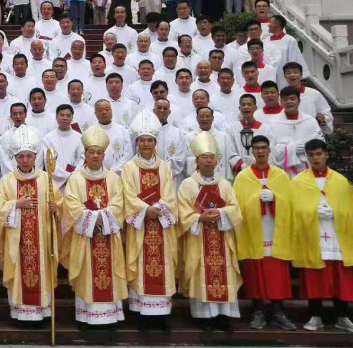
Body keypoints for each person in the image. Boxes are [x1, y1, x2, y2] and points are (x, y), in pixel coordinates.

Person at [291, 139, 353, 334]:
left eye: (319, 154)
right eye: (311, 155)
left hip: (336, 236)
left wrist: (336, 213)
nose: (315, 158)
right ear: (307, 157)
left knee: (340, 278)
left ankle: (342, 317)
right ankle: (315, 316)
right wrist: (312, 212)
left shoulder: (341, 181)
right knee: (314, 277)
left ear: (326, 155)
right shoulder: (298, 182)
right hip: (312, 236)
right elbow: (291, 210)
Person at [60, 126, 126, 326]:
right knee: (86, 276)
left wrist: (100, 217)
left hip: (108, 239)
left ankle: (110, 318)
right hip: (84, 240)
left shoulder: (113, 178)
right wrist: (95, 217)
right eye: (91, 152)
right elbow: (71, 205)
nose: (95, 156)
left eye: (99, 152)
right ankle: (86, 317)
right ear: (85, 154)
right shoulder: (76, 178)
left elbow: (119, 204)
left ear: (104, 155)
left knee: (109, 274)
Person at [0, 125, 62, 321]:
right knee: (18, 273)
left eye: (29, 156)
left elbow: (60, 205)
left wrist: (56, 209)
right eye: (21, 156)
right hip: (16, 242)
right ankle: (20, 314)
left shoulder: (46, 180)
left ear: (35, 157)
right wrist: (16, 204)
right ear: (15, 158)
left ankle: (42, 313)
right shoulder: (6, 181)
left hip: (42, 242)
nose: (25, 160)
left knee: (41, 272)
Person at [177, 131, 242, 329]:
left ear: (216, 161)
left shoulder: (224, 184)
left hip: (221, 238)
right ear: (197, 161)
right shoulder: (188, 184)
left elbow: (235, 210)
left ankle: (224, 316)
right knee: (201, 273)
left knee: (223, 273)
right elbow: (182, 212)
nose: (208, 161)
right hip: (199, 240)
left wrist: (221, 213)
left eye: (211, 157)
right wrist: (199, 218)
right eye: (204, 157)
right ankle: (204, 317)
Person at [121, 111, 178, 328]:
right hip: (139, 228)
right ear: (136, 143)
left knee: (162, 266)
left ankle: (162, 316)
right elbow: (127, 195)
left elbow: (170, 194)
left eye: (150, 140)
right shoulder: (129, 168)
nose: (146, 144)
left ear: (156, 143)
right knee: (140, 266)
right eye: (142, 140)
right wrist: (146, 210)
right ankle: (141, 315)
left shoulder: (164, 166)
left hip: (161, 227)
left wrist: (158, 209)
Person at [233, 135, 296, 330]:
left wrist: (275, 198)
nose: (260, 152)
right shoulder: (243, 177)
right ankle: (258, 310)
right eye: (256, 148)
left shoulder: (280, 176)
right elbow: (236, 206)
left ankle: (278, 310)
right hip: (253, 231)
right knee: (255, 271)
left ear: (269, 150)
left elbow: (291, 204)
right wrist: (255, 200)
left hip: (275, 230)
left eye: (263, 148)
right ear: (252, 151)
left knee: (276, 271)